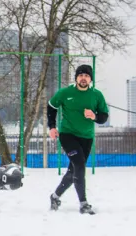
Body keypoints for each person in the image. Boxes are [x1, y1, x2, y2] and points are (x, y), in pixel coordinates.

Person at [47, 64, 108, 215]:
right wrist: (52, 127)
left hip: (86, 137)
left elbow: (104, 116)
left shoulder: (97, 95)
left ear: (90, 79)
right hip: (68, 135)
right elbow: (51, 106)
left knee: (74, 170)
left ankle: (55, 196)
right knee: (79, 165)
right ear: (76, 78)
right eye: (81, 75)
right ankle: (83, 203)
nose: (83, 78)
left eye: (86, 76)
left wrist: (94, 116)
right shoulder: (65, 92)